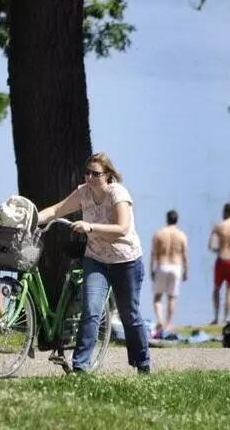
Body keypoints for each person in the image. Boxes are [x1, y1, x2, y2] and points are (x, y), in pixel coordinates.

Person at [36, 153, 151, 374]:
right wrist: (31, 219)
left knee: (130, 316)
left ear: (107, 175)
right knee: (90, 311)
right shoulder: (84, 192)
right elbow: (56, 210)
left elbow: (122, 228)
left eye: (95, 174)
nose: (89, 177)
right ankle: (80, 367)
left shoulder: (118, 194)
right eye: (87, 173)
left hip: (125, 261)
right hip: (96, 259)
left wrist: (91, 227)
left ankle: (142, 363)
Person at [150, 209, 189, 334]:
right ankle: (168, 323)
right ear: (177, 220)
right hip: (176, 267)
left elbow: (153, 253)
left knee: (157, 297)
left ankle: (160, 321)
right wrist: (186, 271)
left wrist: (152, 269)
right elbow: (185, 255)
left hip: (162, 265)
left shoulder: (159, 233)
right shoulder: (182, 235)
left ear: (167, 219)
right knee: (172, 297)